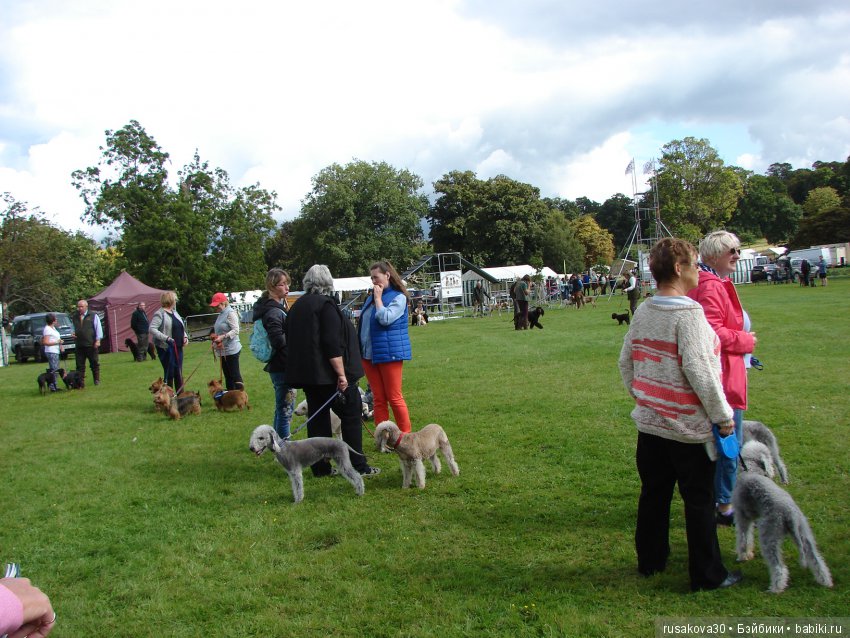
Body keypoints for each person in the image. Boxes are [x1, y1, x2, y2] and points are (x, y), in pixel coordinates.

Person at [619, 237, 741, 592]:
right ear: (678, 269)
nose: (699, 271)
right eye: (694, 264)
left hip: (650, 428)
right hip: (688, 430)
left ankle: (651, 561)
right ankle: (707, 575)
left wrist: (643, 396)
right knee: (699, 502)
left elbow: (625, 361)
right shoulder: (689, 314)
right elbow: (701, 371)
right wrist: (723, 417)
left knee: (653, 495)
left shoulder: (643, 310)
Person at [688, 231, 757, 526]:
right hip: (723, 376)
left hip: (723, 371)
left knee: (716, 442)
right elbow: (711, 330)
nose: (737, 255)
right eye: (732, 251)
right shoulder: (711, 284)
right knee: (728, 442)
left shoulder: (710, 281)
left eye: (739, 250)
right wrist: (745, 341)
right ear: (714, 254)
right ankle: (724, 506)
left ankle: (712, 500)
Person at [285, 264, 379, 476]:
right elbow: (331, 344)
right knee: (352, 415)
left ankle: (320, 467)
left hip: (309, 376)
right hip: (329, 377)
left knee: (317, 421)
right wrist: (341, 375)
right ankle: (357, 466)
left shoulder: (298, 307)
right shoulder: (326, 306)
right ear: (328, 282)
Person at [359, 260, 413, 433]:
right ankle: (382, 437)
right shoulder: (370, 299)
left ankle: (406, 437)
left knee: (394, 397)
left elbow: (385, 318)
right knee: (378, 398)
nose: (374, 281)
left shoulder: (399, 297)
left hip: (389, 354)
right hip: (369, 355)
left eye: (376, 277)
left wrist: (378, 299)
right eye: (371, 278)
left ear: (387, 275)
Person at [252, 269, 295, 439]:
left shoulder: (274, 307)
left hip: (279, 365)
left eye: (287, 283)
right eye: (283, 284)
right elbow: (278, 340)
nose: (287, 287)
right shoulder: (273, 311)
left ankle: (277, 444)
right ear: (271, 286)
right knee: (285, 410)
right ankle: (285, 449)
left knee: (282, 409)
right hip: (282, 366)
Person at [149, 291, 188, 391]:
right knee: (170, 372)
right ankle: (168, 398)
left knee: (178, 372)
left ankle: (180, 397)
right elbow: (152, 329)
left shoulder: (175, 312)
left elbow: (180, 326)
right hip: (166, 348)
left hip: (178, 347)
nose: (176, 301)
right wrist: (166, 338)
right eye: (175, 299)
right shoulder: (160, 313)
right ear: (170, 300)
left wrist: (185, 337)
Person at [209, 292, 243, 390]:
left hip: (232, 349)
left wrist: (223, 337)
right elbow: (218, 328)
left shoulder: (230, 313)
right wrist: (214, 335)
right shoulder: (221, 314)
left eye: (217, 305)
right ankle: (230, 398)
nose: (216, 308)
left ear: (224, 303)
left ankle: (241, 396)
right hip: (223, 350)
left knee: (235, 375)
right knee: (228, 376)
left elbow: (236, 330)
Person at [71, 299, 102, 386]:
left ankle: (96, 380)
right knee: (80, 365)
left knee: (94, 363)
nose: (79, 308)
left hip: (91, 344)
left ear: (86, 307)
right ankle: (81, 382)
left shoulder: (93, 315)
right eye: (78, 306)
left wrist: (98, 340)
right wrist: (73, 333)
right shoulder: (75, 316)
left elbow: (98, 328)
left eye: (81, 306)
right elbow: (72, 328)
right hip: (79, 345)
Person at [41, 313, 62, 392]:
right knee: (54, 369)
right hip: (51, 351)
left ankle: (53, 385)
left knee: (55, 368)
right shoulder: (47, 329)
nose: (56, 320)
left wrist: (60, 344)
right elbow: (45, 342)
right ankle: (53, 386)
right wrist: (57, 342)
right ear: (52, 320)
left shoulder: (53, 328)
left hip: (55, 350)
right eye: (55, 319)